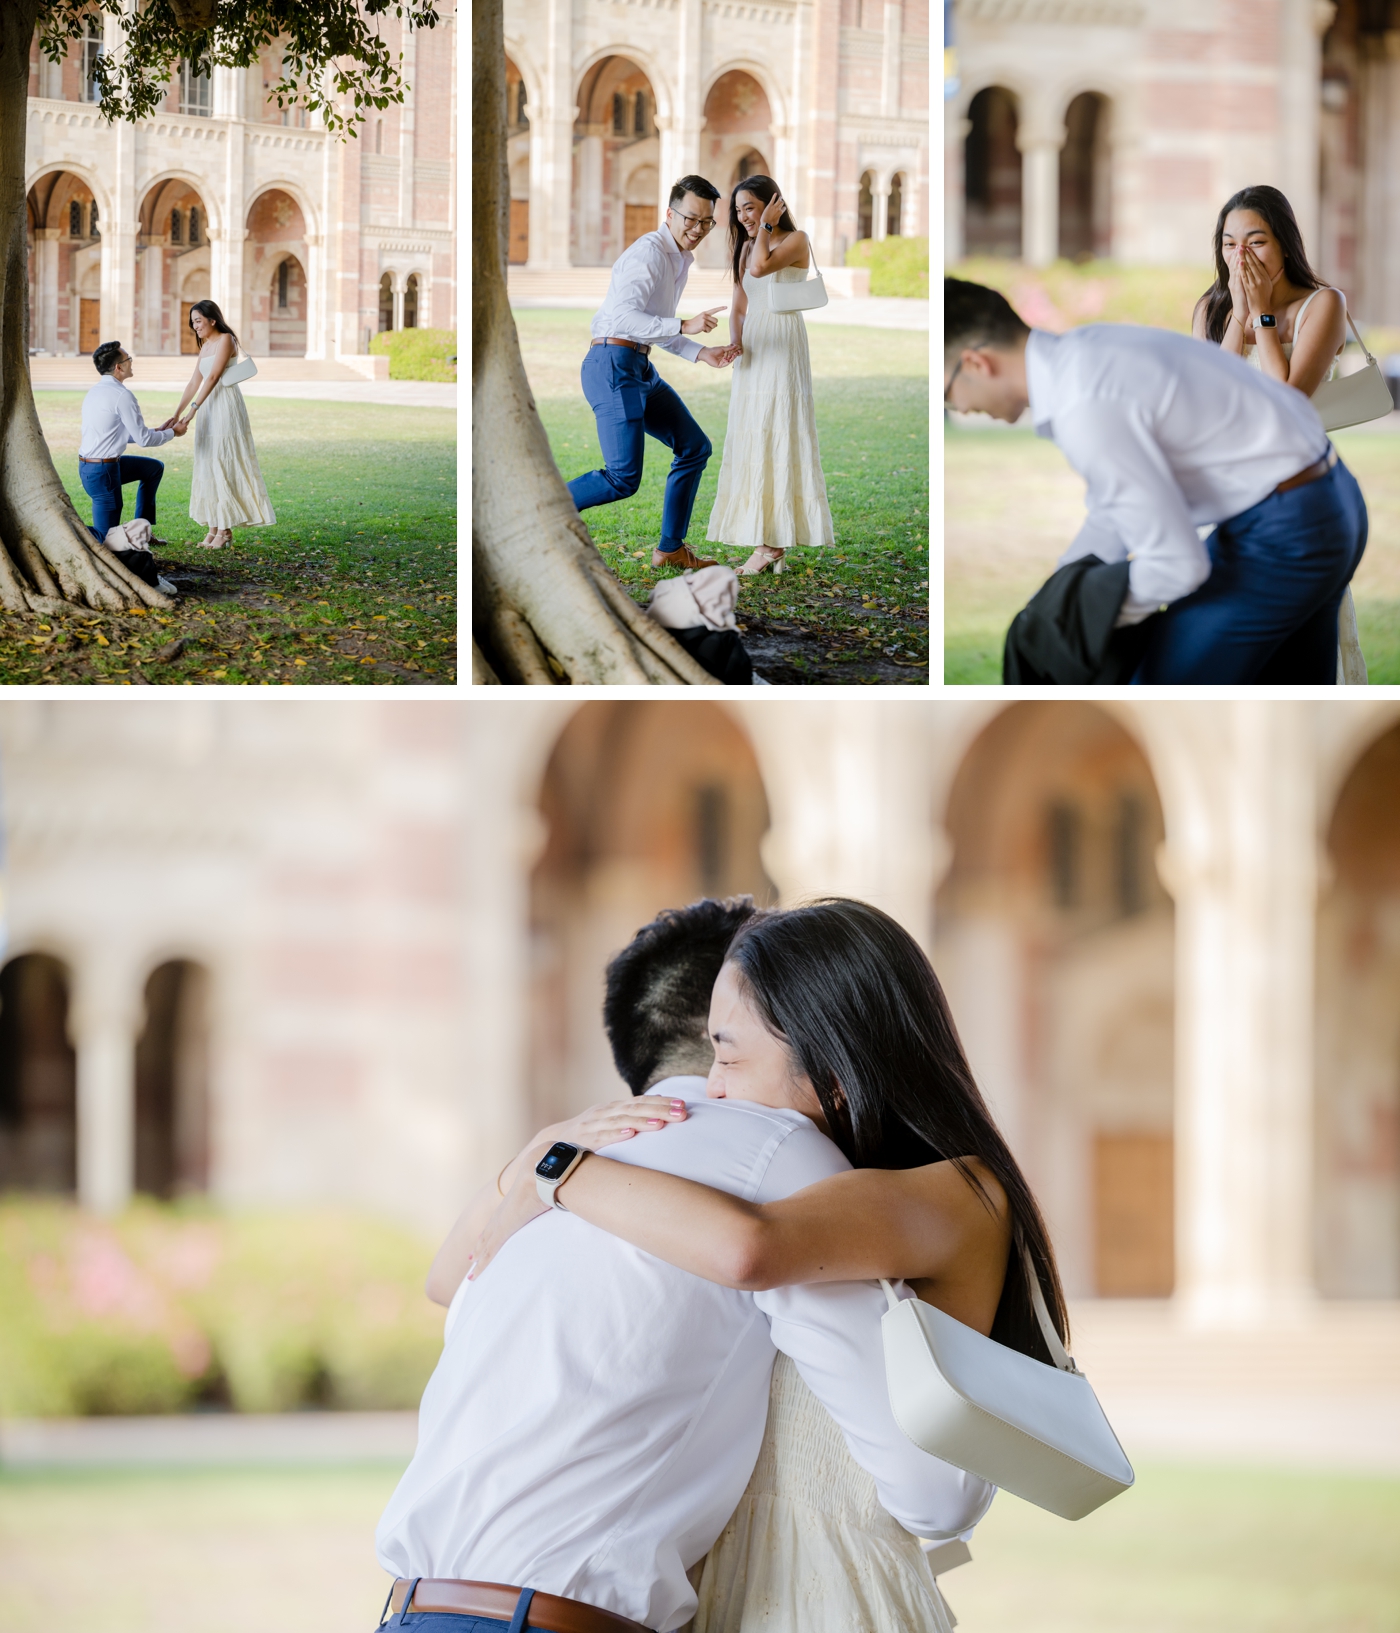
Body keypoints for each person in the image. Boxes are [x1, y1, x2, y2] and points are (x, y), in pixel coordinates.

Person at [375, 896, 993, 1633]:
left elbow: (447, 1280)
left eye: (732, 1050)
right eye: (719, 1050)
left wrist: (544, 1161)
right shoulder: (781, 1153)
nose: (721, 1087)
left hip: (412, 1607)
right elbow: (937, 1492)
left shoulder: (558, 1166)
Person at [946, 277, 1368, 684]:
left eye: (948, 395)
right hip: (1330, 499)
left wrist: (1074, 618)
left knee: (1150, 694)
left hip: (1288, 533)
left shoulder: (1084, 403)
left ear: (976, 364)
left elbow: (1176, 566)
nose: (957, 408)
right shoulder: (1086, 351)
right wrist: (1053, 596)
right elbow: (1112, 510)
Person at [1192, 183, 1366, 683]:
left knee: (1297, 645)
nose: (1240, 254)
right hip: (1227, 490)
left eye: (1256, 240)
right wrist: (1238, 319)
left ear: (1285, 243)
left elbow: (1286, 403)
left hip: (1297, 493)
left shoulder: (1323, 305)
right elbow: (1214, 405)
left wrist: (1264, 315)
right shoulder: (1212, 309)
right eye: (1229, 242)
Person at [567, 176, 736, 573]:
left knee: (695, 447)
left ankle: (671, 548)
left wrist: (700, 352)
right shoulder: (649, 253)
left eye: (706, 223)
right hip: (612, 365)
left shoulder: (679, 258)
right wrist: (683, 326)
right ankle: (537, 509)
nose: (697, 229)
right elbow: (625, 319)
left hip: (639, 367)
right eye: (690, 219)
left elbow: (652, 325)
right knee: (623, 478)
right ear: (670, 214)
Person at [704, 176, 834, 577]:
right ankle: (766, 540)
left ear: (772, 205)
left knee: (777, 429)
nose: (743, 217)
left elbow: (760, 268)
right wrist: (734, 341)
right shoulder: (746, 243)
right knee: (753, 432)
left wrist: (764, 229)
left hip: (782, 342)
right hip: (755, 345)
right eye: (739, 210)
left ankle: (770, 544)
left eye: (751, 208)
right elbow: (741, 300)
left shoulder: (794, 240)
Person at [165, 299, 274, 550]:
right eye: (192, 323)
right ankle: (213, 527)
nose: (195, 327)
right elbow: (195, 381)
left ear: (212, 319)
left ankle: (224, 530)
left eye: (199, 321)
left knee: (222, 460)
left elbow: (213, 377)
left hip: (223, 405)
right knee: (207, 462)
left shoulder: (225, 339)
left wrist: (193, 410)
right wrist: (176, 413)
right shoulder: (205, 346)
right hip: (207, 407)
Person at [78, 341, 184, 561]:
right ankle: (64, 530)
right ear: (119, 367)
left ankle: (143, 530)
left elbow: (120, 434)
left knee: (153, 468)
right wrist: (174, 433)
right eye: (128, 359)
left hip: (96, 467)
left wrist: (158, 430)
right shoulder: (121, 395)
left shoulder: (96, 391)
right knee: (108, 538)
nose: (131, 362)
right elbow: (144, 440)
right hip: (103, 472)